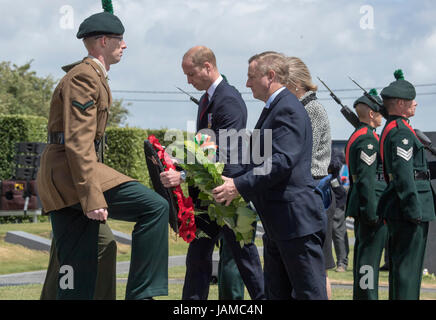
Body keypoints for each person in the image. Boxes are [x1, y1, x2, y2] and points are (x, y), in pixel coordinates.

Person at [36, 8, 169, 300]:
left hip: (64, 177)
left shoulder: (92, 75)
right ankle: (142, 294)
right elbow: (78, 141)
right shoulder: (84, 77)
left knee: (77, 267)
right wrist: (92, 196)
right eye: (120, 40)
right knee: (155, 207)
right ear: (103, 42)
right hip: (71, 175)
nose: (125, 45)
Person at [213, 51, 327, 300]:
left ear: (271, 76)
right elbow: (256, 159)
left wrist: (238, 186)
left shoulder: (287, 108)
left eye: (251, 76)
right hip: (281, 222)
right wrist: (221, 176)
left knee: (310, 294)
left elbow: (281, 162)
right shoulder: (275, 108)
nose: (247, 83)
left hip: (295, 221)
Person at [160, 45, 264, 300]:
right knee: (197, 259)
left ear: (208, 67)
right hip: (209, 194)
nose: (188, 80)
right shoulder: (208, 99)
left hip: (227, 192)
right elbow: (202, 146)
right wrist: (177, 158)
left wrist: (182, 175)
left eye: (192, 74)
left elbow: (221, 153)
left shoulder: (227, 99)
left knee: (246, 260)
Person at [378, 70, 435, 300]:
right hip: (409, 209)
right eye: (412, 100)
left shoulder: (397, 128)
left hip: (405, 207)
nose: (416, 104)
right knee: (408, 272)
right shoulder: (401, 132)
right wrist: (413, 209)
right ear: (400, 103)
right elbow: (403, 175)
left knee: (405, 270)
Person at [284, 56, 334, 299]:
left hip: (314, 187)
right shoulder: (303, 108)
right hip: (309, 187)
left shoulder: (310, 109)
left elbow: (303, 153)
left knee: (316, 270)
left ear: (295, 83)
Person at [345, 89, 387, 300]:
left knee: (364, 261)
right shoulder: (368, 140)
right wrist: (372, 212)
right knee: (368, 262)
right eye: (379, 111)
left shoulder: (360, 135)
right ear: (371, 114)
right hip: (371, 208)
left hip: (364, 207)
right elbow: (366, 180)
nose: (382, 115)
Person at [328, 149, 349, 273]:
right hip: (319, 197)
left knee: (337, 230)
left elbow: (335, 165)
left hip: (337, 198)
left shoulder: (334, 153)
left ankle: (342, 262)